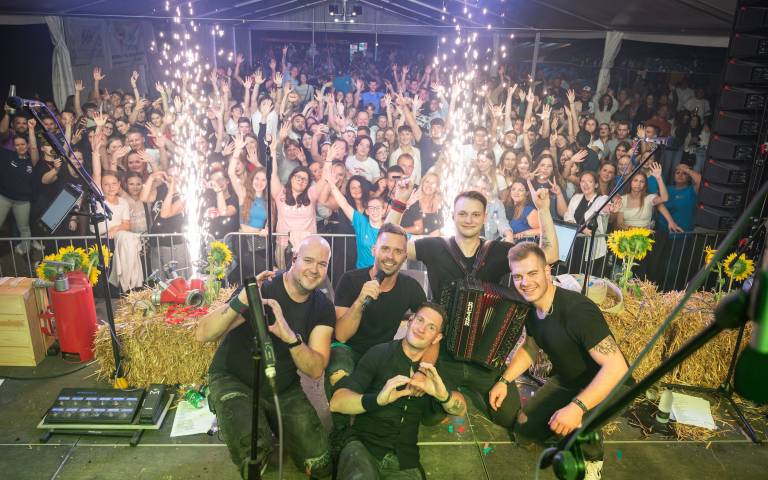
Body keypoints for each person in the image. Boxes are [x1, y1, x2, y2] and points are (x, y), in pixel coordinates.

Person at [385, 187, 558, 439]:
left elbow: (549, 255)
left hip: (485, 355)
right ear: (452, 215)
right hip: (443, 353)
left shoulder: (499, 251)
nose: (469, 220)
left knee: (508, 416)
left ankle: (469, 389)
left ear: (485, 217)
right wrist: (399, 203)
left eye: (475, 215)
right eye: (463, 214)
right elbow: (391, 243)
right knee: (429, 416)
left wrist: (543, 210)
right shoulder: (433, 246)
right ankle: (451, 393)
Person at [197, 236, 335, 479]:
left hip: (282, 386)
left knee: (320, 463)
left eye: (322, 264)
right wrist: (242, 300)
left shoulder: (322, 306)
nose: (314, 269)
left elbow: (315, 370)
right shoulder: (264, 288)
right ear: (294, 259)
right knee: (253, 454)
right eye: (308, 260)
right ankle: (232, 408)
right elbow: (203, 334)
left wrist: (290, 338)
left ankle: (270, 419)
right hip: (234, 378)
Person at [493, 242, 629, 480]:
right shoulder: (531, 308)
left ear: (547, 271)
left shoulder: (578, 310)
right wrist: (504, 381)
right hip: (568, 380)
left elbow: (617, 368)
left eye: (532, 273)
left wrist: (577, 407)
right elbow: (530, 348)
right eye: (518, 276)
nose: (525, 282)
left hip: (609, 385)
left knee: (573, 424)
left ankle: (591, 458)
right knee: (524, 429)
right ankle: (565, 429)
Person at [330, 303, 466, 480]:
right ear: (410, 321)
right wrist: (377, 400)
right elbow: (336, 402)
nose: (422, 329)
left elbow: (461, 409)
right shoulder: (379, 353)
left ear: (437, 338)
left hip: (404, 461)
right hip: (363, 447)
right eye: (420, 320)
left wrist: (444, 396)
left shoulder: (434, 372)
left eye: (431, 327)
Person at [326, 224, 427, 432]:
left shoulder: (410, 287)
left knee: (397, 411)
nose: (390, 256)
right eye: (385, 249)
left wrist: (423, 368)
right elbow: (342, 335)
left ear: (404, 256)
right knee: (338, 366)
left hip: (381, 353)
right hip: (348, 349)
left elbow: (430, 324)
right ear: (374, 250)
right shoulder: (350, 280)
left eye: (398, 251)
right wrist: (360, 301)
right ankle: (341, 432)